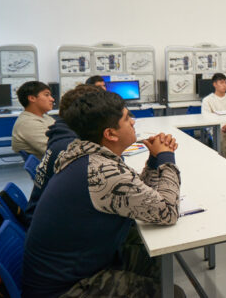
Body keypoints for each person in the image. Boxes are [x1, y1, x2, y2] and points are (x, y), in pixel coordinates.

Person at [22, 90, 181, 297]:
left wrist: (153, 160)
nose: (133, 122)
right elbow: (168, 212)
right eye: (126, 119)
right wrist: (166, 157)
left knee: (158, 264)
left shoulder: (83, 152)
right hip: (65, 289)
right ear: (110, 134)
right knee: (171, 293)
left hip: (75, 265)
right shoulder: (102, 172)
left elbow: (138, 196)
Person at [24, 84, 102, 222]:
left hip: (49, 215)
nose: (52, 99)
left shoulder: (61, 133)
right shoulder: (70, 148)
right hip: (53, 226)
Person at [11, 81, 55, 157]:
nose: (52, 99)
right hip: (55, 166)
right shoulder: (27, 124)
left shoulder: (45, 117)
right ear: (32, 98)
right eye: (46, 95)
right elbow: (55, 150)